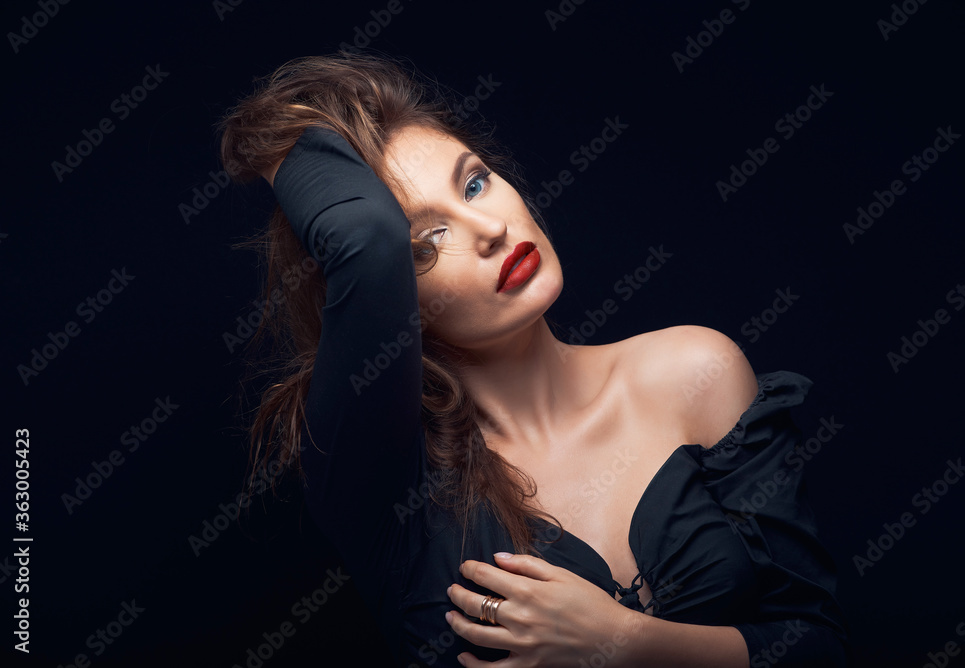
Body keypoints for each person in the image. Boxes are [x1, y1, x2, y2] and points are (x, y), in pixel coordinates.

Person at [219, 52, 850, 667]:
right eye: (428, 241)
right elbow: (364, 239)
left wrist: (627, 645)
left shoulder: (694, 372)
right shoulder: (384, 482)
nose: (488, 228)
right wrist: (273, 140)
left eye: (475, 182)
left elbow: (819, 646)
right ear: (384, 293)